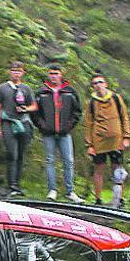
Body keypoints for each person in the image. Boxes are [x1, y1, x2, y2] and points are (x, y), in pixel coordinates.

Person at [34, 64, 84, 203]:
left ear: (61, 74)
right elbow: (35, 113)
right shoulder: (42, 92)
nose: (53, 76)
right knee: (50, 160)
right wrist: (42, 126)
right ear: (48, 75)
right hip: (48, 133)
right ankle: (52, 190)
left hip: (64, 133)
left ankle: (70, 191)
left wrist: (69, 126)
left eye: (56, 73)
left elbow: (77, 111)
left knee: (68, 161)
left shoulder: (70, 91)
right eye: (51, 73)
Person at [84, 72, 130, 208]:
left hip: (116, 140)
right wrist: (90, 144)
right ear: (93, 87)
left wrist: (126, 137)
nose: (98, 85)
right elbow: (88, 124)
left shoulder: (116, 98)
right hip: (98, 141)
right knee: (99, 169)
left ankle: (118, 199)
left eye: (100, 82)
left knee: (117, 169)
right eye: (95, 83)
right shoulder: (92, 102)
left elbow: (124, 117)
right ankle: (98, 199)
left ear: (106, 84)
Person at [0, 61, 37, 197]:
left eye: (18, 71)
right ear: (9, 72)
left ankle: (17, 184)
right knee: (12, 154)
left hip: (23, 123)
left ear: (23, 73)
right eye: (13, 71)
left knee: (21, 154)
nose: (16, 73)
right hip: (7, 122)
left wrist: (25, 109)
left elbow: (34, 106)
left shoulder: (26, 88)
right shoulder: (3, 88)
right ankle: (11, 184)